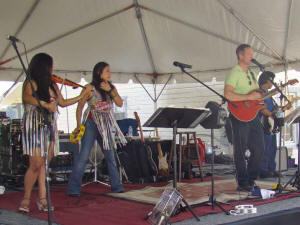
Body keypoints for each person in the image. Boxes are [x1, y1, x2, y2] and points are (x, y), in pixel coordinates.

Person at [19, 53, 92, 213]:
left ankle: (42, 198)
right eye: (50, 66)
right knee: (36, 163)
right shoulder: (32, 82)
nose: (53, 70)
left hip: (49, 126)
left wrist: (82, 96)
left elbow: (63, 103)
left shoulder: (53, 85)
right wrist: (45, 104)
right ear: (44, 67)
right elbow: (26, 97)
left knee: (45, 162)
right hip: (35, 126)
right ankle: (26, 197)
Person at [67, 62, 127, 196]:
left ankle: (116, 186)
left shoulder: (111, 88)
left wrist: (110, 91)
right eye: (107, 71)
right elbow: (80, 106)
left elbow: (120, 103)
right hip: (91, 123)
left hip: (105, 124)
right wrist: (78, 125)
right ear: (99, 73)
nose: (110, 74)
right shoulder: (90, 88)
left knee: (110, 156)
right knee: (83, 156)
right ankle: (73, 189)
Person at [224, 44, 264, 191]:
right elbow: (228, 94)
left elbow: (253, 95)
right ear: (240, 56)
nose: (252, 57)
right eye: (249, 54)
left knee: (259, 147)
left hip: (252, 115)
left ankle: (251, 179)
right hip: (239, 116)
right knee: (240, 150)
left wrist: (259, 99)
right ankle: (242, 182)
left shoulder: (252, 73)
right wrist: (248, 96)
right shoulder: (234, 72)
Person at [258, 71, 298, 178]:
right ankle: (263, 169)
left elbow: (274, 109)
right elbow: (262, 109)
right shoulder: (259, 93)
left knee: (272, 147)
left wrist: (283, 109)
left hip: (271, 124)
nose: (273, 83)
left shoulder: (268, 94)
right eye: (272, 81)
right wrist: (287, 84)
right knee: (265, 147)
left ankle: (271, 168)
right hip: (264, 124)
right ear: (267, 80)